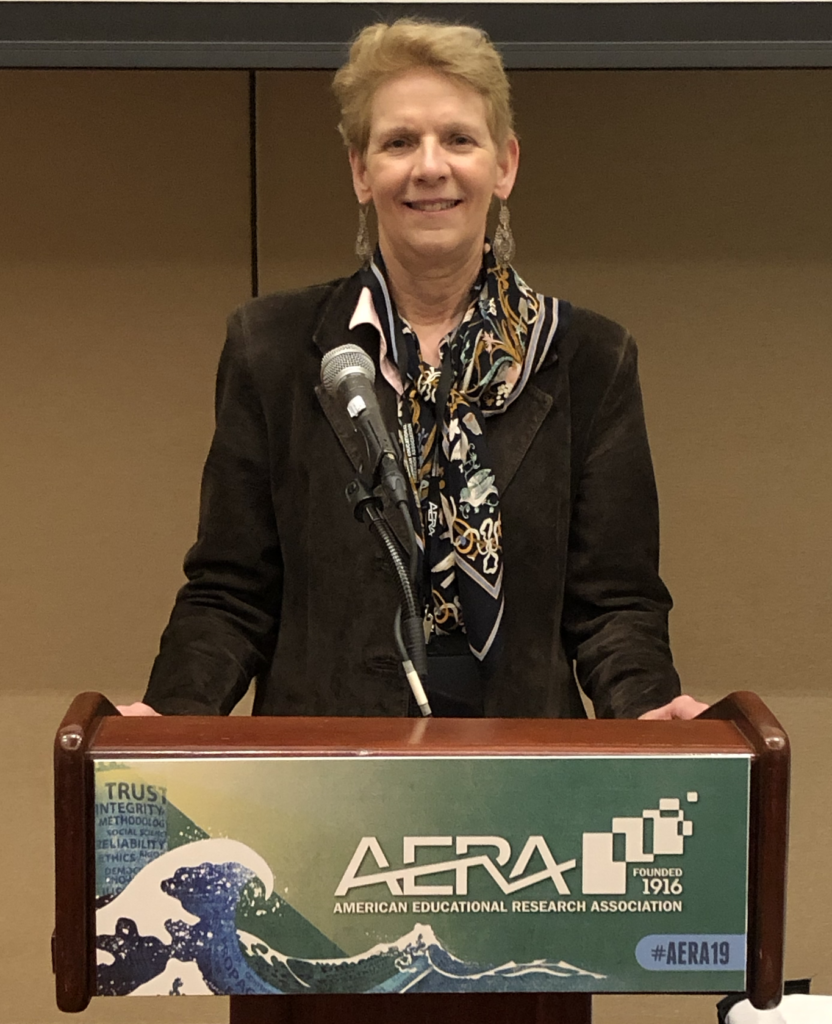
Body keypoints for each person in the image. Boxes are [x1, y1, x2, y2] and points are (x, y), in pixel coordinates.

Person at [120, 19, 706, 722]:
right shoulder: (270, 349)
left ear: (505, 164)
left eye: (459, 139)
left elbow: (615, 604)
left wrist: (647, 713)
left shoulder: (588, 359)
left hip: (526, 785)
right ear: (362, 172)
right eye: (399, 143)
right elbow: (232, 590)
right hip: (327, 776)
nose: (430, 167)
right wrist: (172, 721)